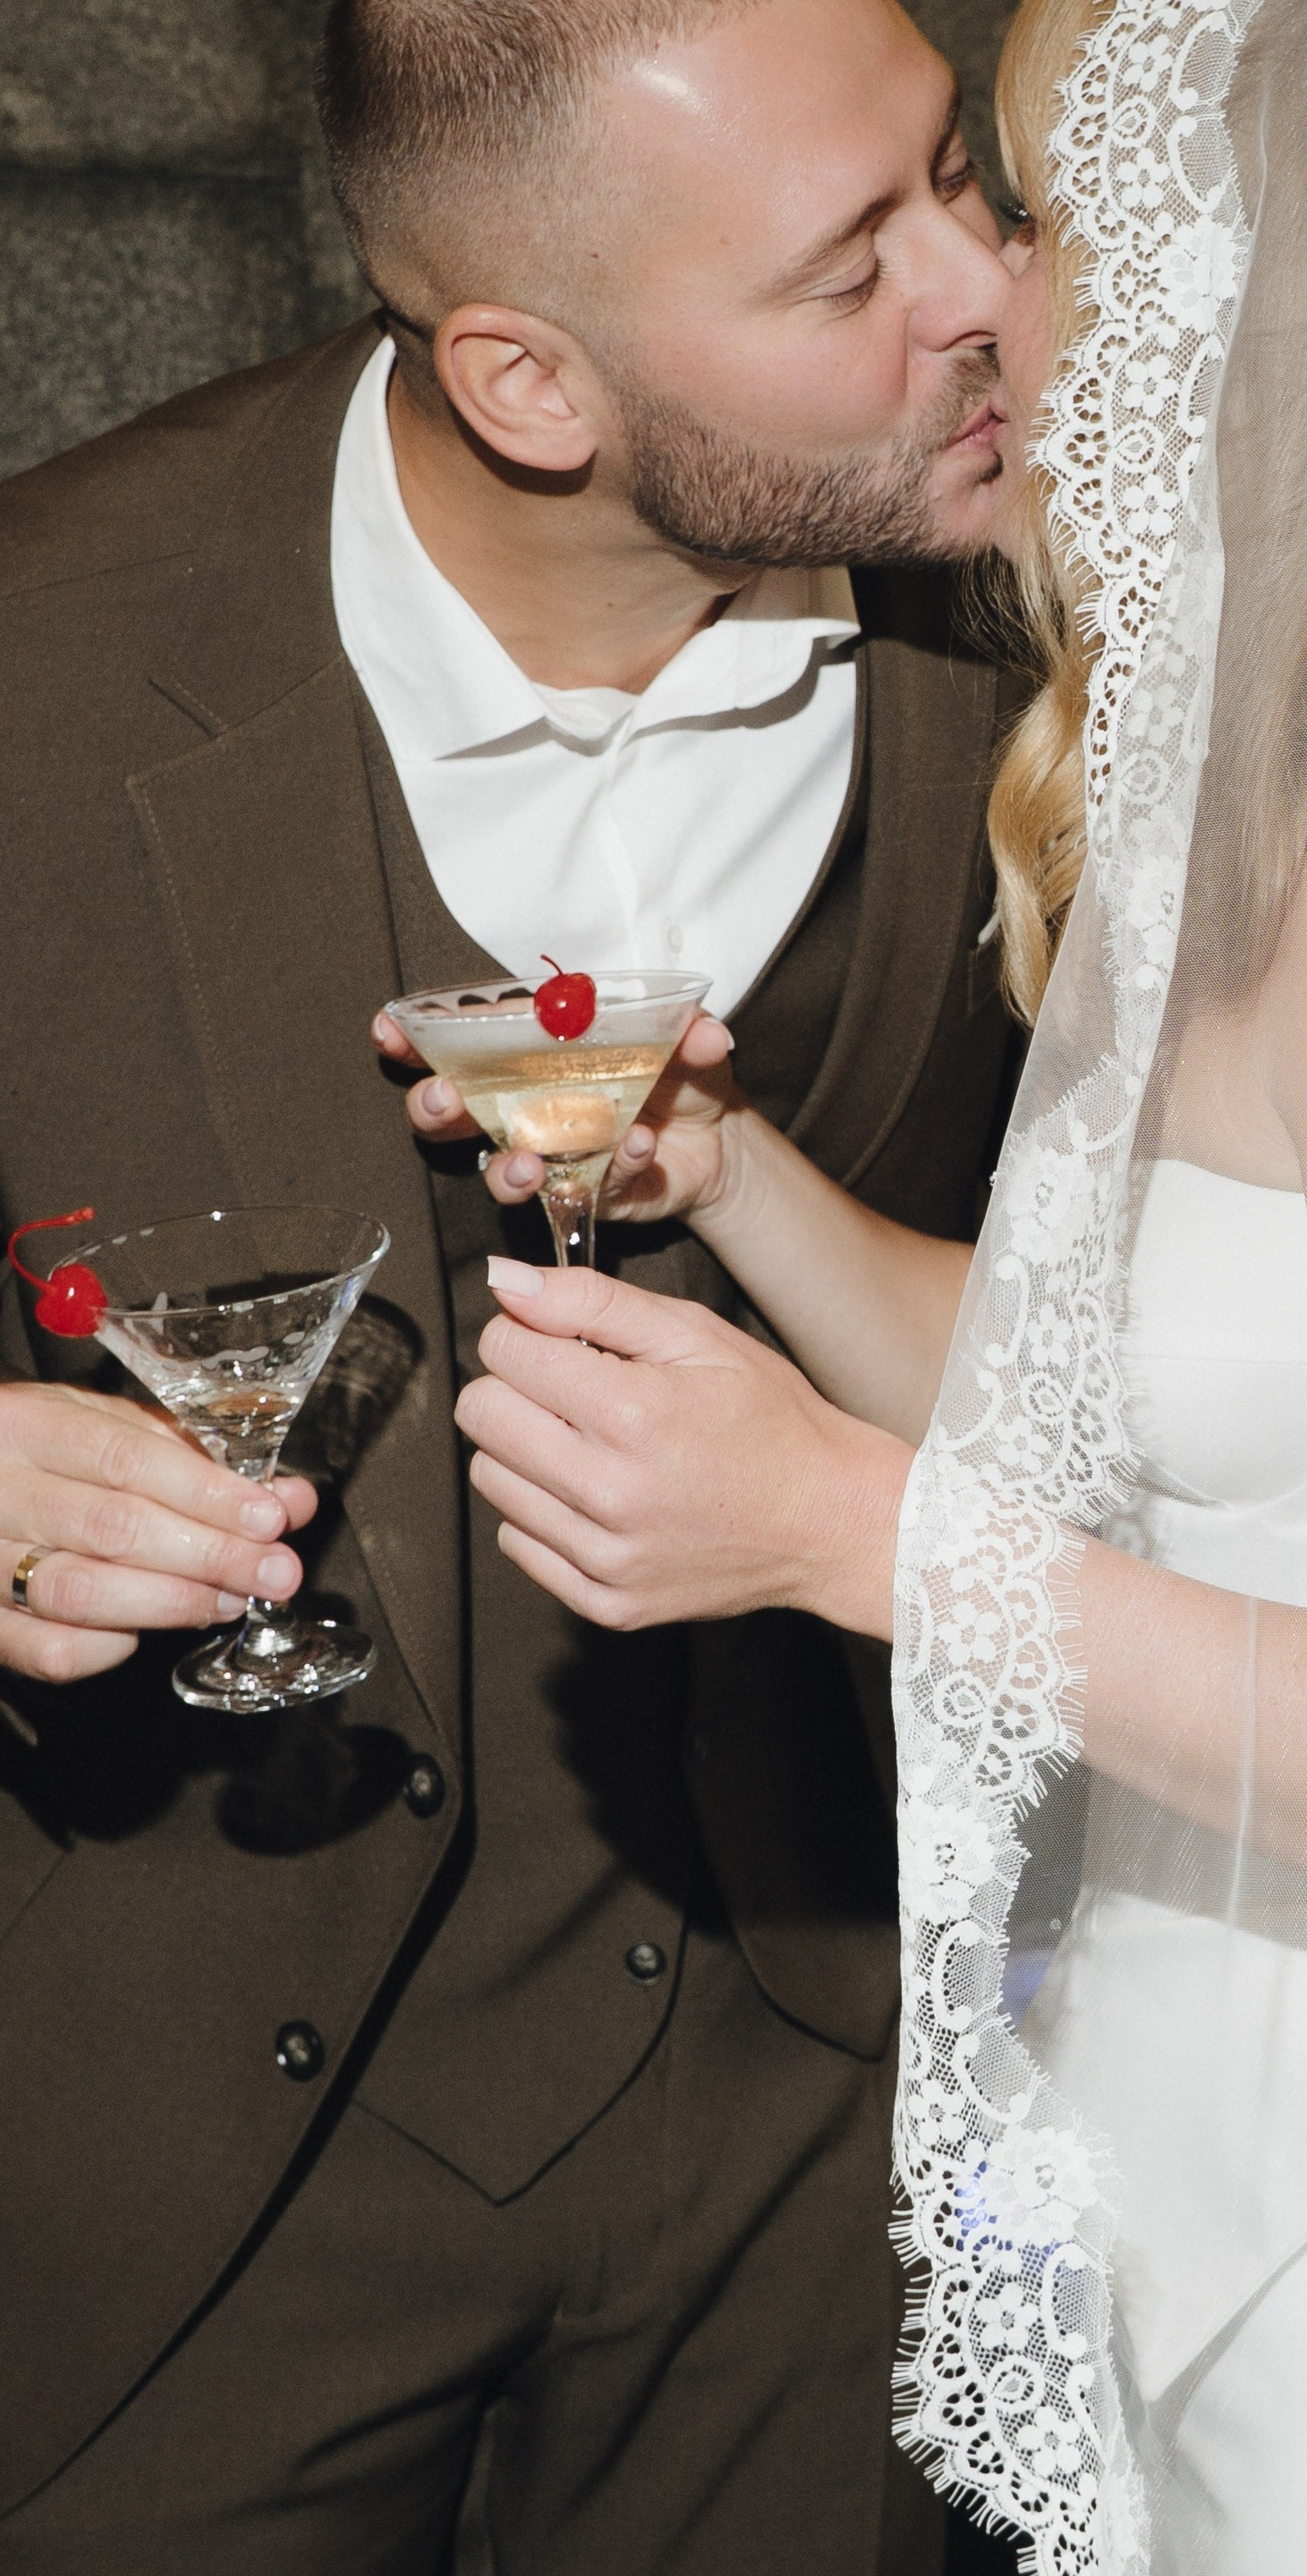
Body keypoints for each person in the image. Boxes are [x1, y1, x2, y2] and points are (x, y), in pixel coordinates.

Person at [451, 0, 1307, 2566]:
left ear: (1240, 296)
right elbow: (1113, 1399)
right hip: (1228, 2120)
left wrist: (844, 1536)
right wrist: (731, 1172)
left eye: (1026, 214)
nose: (976, 296)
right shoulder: (1282, 788)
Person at [0, 1, 1028, 2566]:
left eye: (961, 178)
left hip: (835, 2115)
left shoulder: (1075, 612)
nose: (989, 293)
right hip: (166, 2146)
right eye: (849, 270)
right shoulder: (39, 653)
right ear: (526, 379)